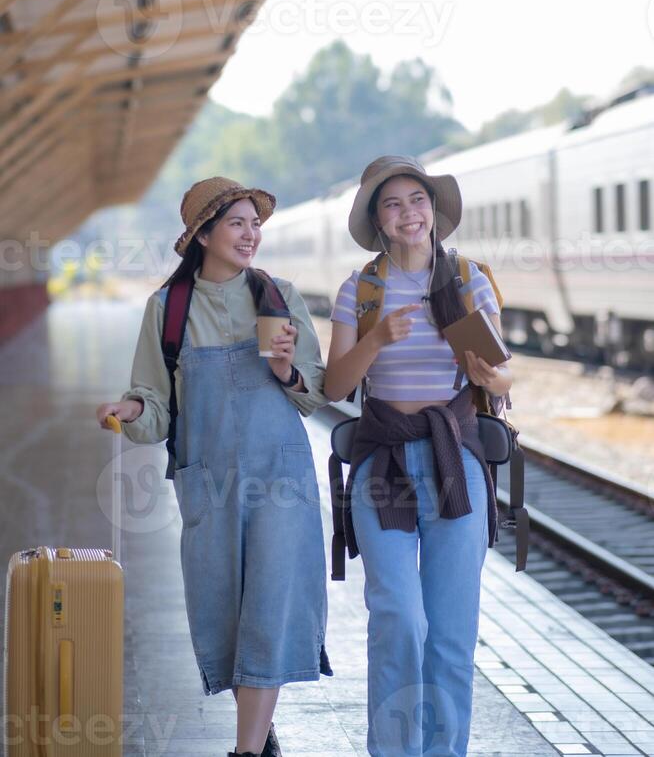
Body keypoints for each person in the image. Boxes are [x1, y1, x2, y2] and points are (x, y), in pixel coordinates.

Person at [96, 176, 332, 757]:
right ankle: (259, 727)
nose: (251, 235)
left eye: (255, 223)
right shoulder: (168, 309)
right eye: (236, 223)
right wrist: (130, 410)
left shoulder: (277, 296)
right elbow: (153, 406)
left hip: (282, 479)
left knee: (271, 604)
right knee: (225, 610)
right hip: (209, 483)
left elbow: (314, 394)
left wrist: (284, 371)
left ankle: (246, 751)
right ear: (202, 233)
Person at [325, 155, 513, 757]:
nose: (409, 213)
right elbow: (333, 387)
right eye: (394, 203)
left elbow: (502, 379)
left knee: (451, 635)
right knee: (400, 621)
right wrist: (376, 338)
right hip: (384, 468)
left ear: (434, 211)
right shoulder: (363, 289)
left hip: (456, 463)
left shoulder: (463, 280)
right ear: (378, 220)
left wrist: (490, 375)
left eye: (418, 200)